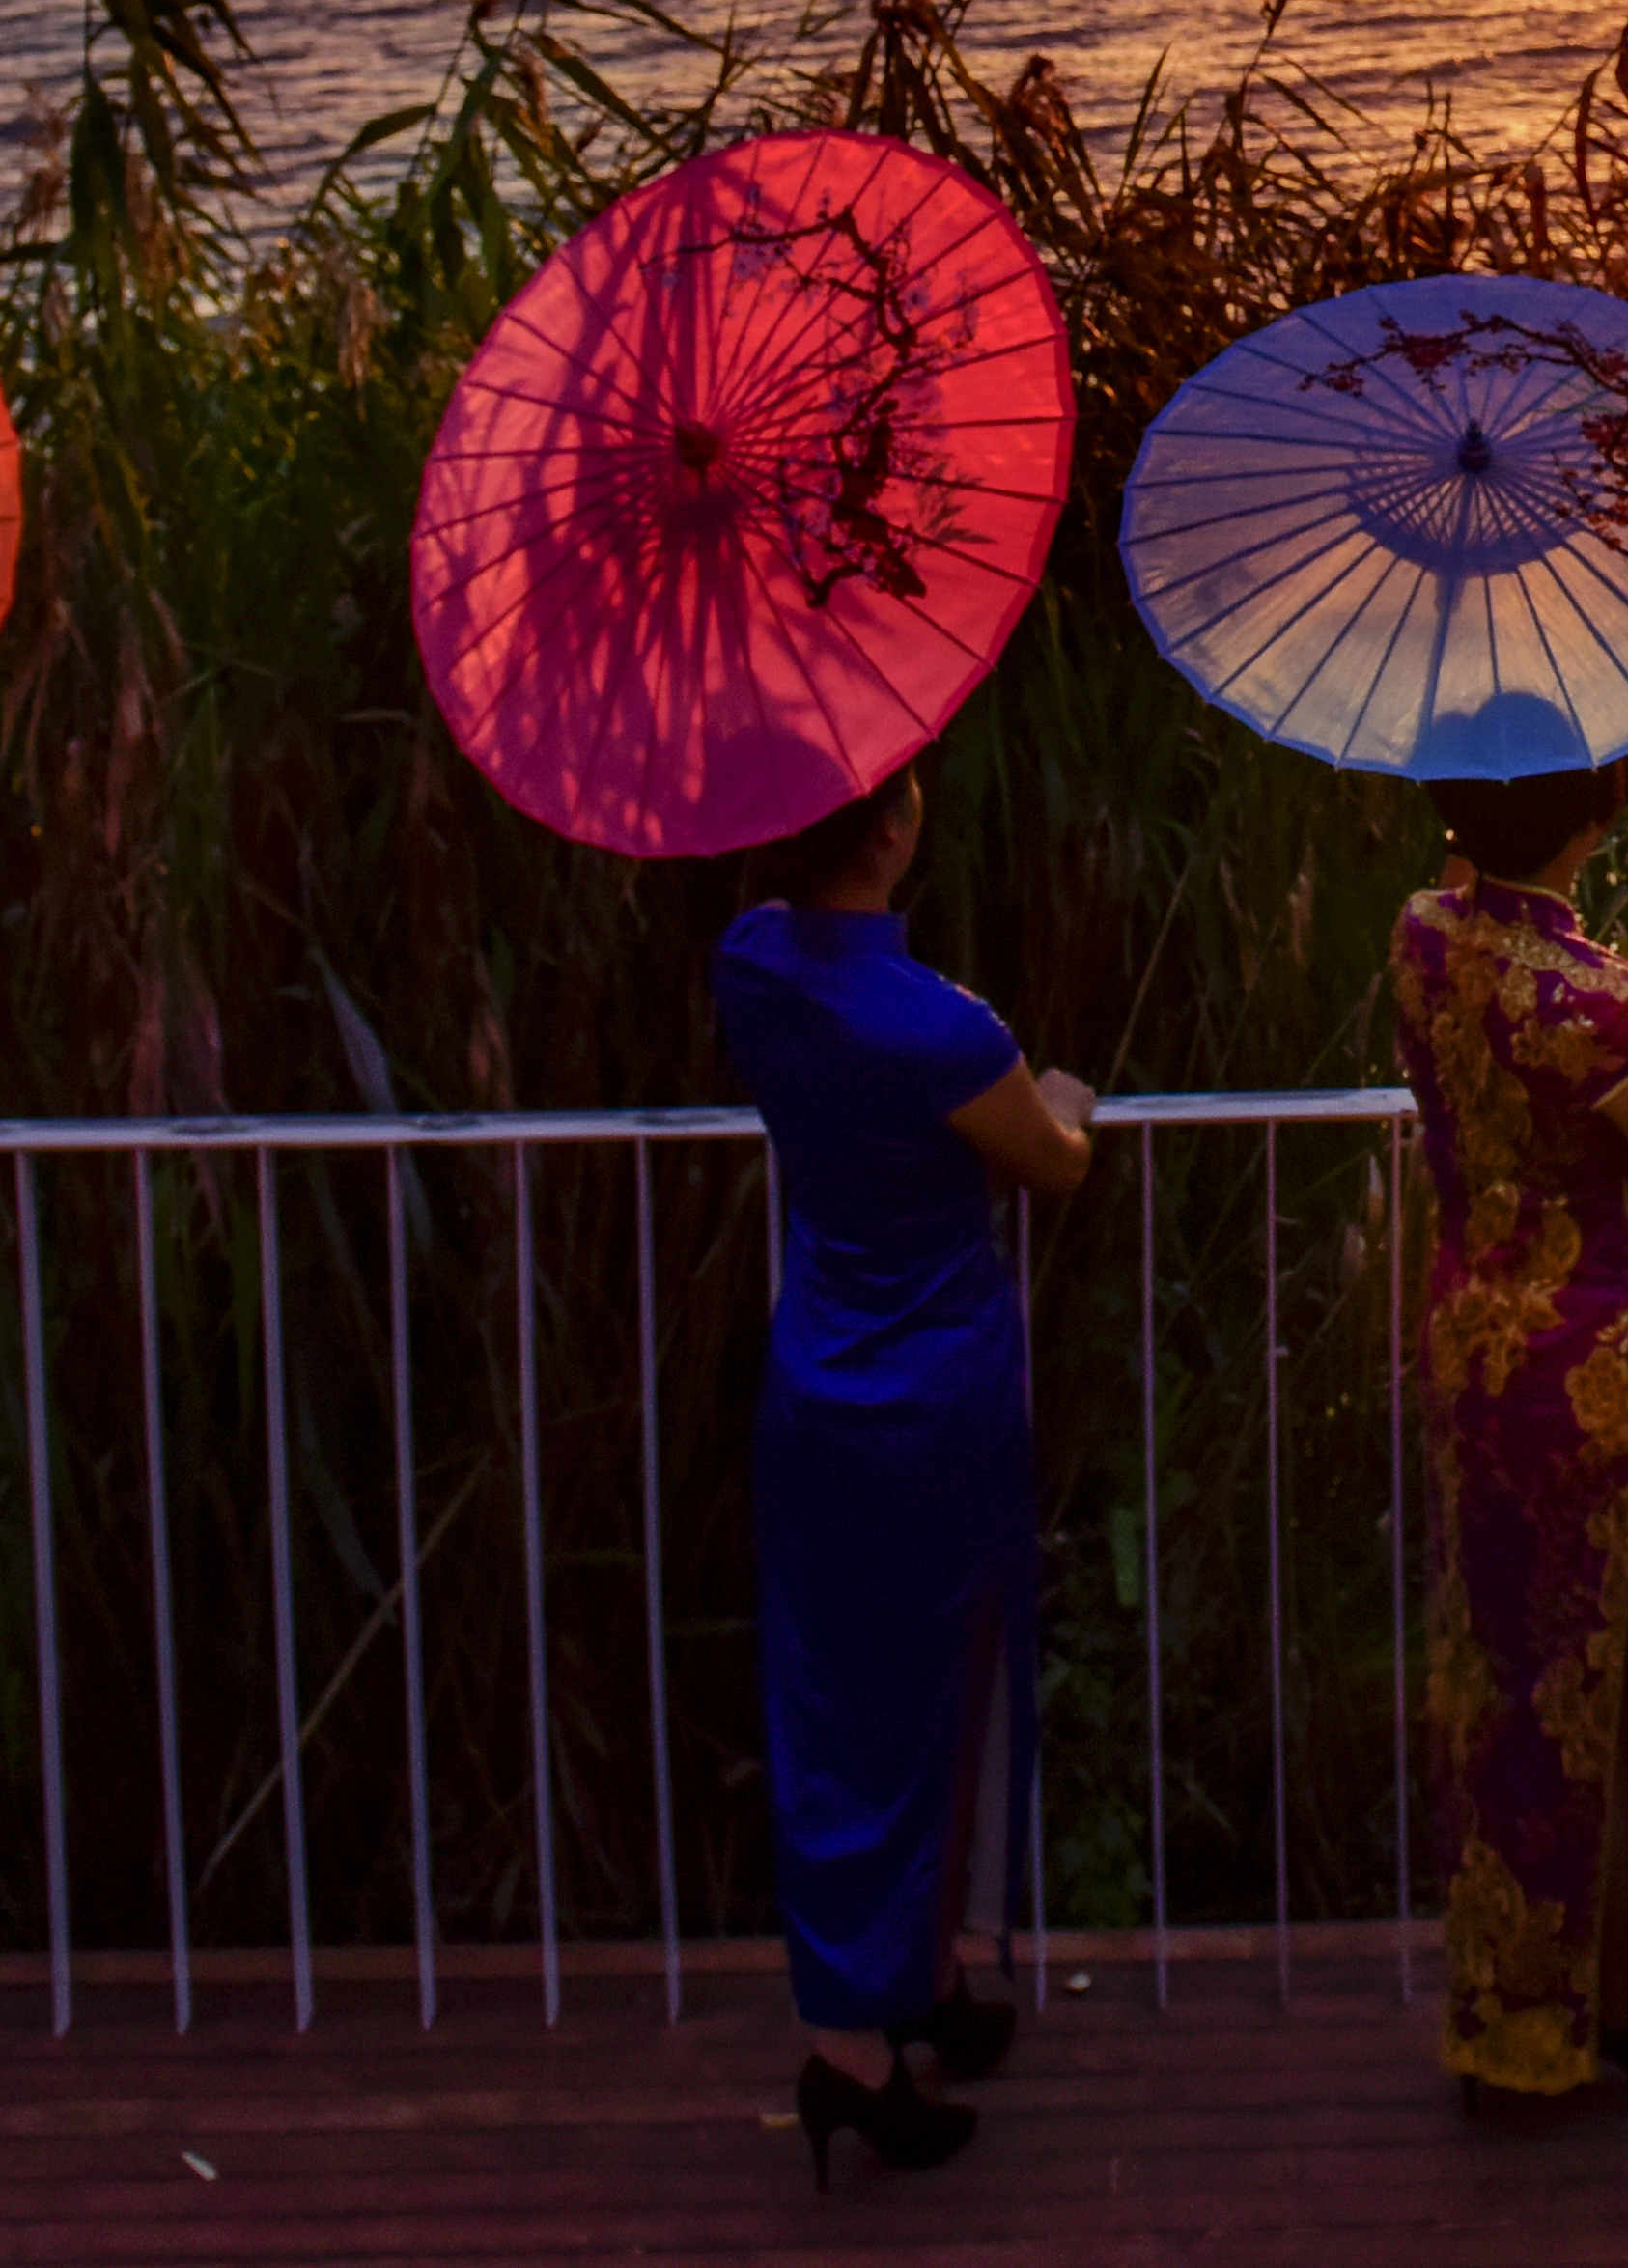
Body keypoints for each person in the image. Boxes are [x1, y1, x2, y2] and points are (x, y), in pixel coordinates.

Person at [715, 755, 1100, 2187]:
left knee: (840, 1714)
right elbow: (1050, 1161)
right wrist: (1066, 1092)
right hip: (935, 1407)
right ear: (890, 829)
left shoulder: (753, 963)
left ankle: (911, 1985)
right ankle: (854, 2052)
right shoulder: (941, 1030)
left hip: (817, 1388)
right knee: (937, 1702)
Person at [1396, 742, 1628, 2122]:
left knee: (1495, 1683)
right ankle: (1608, 2022)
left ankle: (1505, 2011)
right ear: (1598, 810)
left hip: (1470, 1351)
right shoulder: (1609, 1008)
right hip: (1589, 1384)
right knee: (1602, 1688)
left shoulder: (1424, 937)